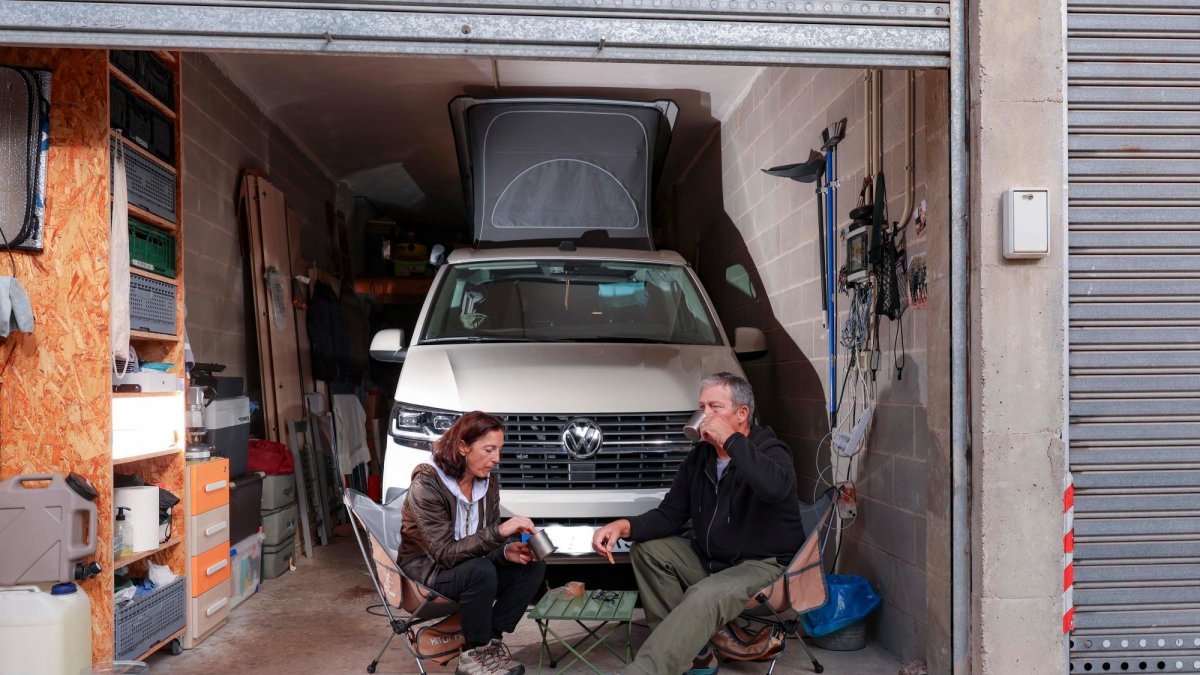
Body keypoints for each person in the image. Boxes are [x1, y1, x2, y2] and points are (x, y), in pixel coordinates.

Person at [592, 372, 806, 675]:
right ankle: (697, 654)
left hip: (763, 565)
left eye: (714, 407)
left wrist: (731, 441)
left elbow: (774, 487)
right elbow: (669, 515)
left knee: (703, 594)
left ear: (742, 413)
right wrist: (622, 526)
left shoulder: (771, 450)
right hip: (713, 561)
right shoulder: (699, 458)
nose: (704, 414)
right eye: (701, 406)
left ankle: (648, 669)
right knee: (648, 550)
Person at [399, 411, 546, 675]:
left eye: (499, 450)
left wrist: (505, 552)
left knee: (531, 565)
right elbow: (443, 554)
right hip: (427, 571)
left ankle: (487, 642)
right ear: (463, 446)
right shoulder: (427, 483)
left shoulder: (487, 482)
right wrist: (500, 532)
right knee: (480, 571)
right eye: (489, 449)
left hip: (470, 566)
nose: (496, 459)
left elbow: (483, 544)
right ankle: (471, 657)